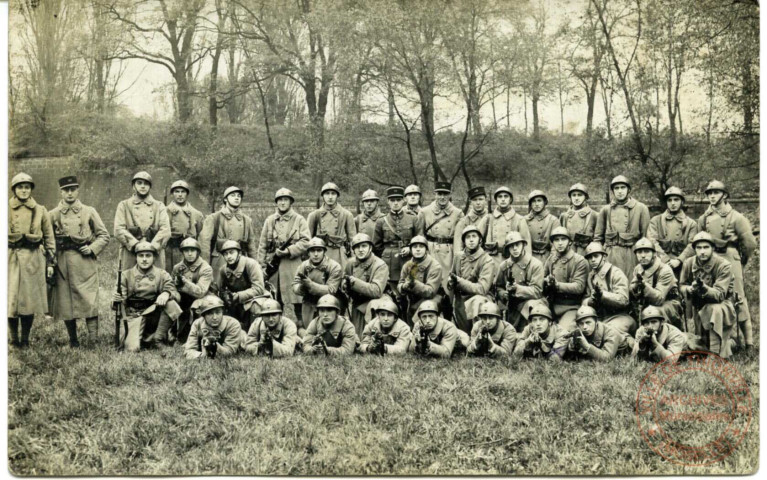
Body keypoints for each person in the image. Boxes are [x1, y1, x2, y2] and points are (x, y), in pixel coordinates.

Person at [677, 180, 756, 350]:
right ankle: (712, 339)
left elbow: (749, 243)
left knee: (738, 298)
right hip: (707, 259)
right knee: (707, 296)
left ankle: (749, 342)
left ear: (725, 195)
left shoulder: (736, 217)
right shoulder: (704, 218)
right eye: (709, 193)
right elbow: (696, 242)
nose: (712, 196)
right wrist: (684, 259)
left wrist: (741, 260)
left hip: (729, 255)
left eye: (716, 193)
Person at [49, 176, 110, 347]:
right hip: (62, 264)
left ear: (77, 190)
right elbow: (47, 240)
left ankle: (93, 340)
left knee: (89, 299)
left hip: (84, 263)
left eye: (72, 189)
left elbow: (104, 235)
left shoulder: (89, 211)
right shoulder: (52, 214)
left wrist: (92, 248)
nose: (69, 193)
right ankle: (73, 340)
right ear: (61, 192)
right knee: (66, 302)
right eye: (66, 190)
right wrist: (51, 260)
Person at [8, 173, 55, 348]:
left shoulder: (40, 210)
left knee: (28, 302)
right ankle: (13, 339)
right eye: (20, 187)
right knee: (10, 299)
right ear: (14, 190)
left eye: (27, 187)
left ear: (31, 189)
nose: (24, 190)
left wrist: (51, 260)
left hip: (33, 260)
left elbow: (49, 237)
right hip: (10, 259)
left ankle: (25, 339)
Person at [112, 241, 182, 351]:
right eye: (141, 256)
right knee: (132, 348)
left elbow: (174, 291)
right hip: (134, 315)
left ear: (154, 258)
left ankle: (157, 339)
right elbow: (119, 304)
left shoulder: (162, 274)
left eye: (148, 256)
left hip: (154, 315)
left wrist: (166, 293)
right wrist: (117, 300)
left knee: (171, 304)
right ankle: (141, 339)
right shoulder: (126, 275)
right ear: (136, 257)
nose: (144, 259)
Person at [257, 188, 311, 326]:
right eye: (280, 200)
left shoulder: (299, 219)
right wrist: (261, 266)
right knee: (275, 298)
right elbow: (262, 245)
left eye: (285, 199)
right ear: (276, 202)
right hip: (273, 266)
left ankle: (302, 326)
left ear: (290, 202)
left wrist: (288, 250)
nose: (282, 202)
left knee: (297, 297)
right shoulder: (270, 221)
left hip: (293, 265)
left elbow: (306, 242)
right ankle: (277, 326)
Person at [679, 232, 737, 359]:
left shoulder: (723, 265)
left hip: (722, 306)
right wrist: (689, 288)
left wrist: (704, 288)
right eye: (698, 248)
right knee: (699, 343)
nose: (702, 252)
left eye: (706, 247)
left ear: (713, 248)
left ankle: (715, 354)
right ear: (694, 250)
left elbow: (719, 295)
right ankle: (714, 346)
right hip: (698, 306)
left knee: (713, 308)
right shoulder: (688, 263)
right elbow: (681, 285)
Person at [593, 175, 650, 277]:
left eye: (623, 187)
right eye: (616, 188)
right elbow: (598, 238)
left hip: (632, 255)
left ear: (628, 190)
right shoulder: (606, 210)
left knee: (632, 285)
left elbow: (645, 237)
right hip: (611, 255)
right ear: (613, 191)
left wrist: (642, 256)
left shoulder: (641, 208)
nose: (620, 191)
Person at [114, 171, 171, 269]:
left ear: (150, 187)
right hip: (131, 251)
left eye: (146, 183)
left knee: (156, 279)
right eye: (139, 183)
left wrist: (151, 248)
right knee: (129, 280)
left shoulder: (159, 205)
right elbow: (118, 229)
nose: (143, 186)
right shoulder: (124, 205)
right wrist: (136, 245)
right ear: (133, 186)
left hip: (154, 251)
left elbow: (165, 230)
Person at [199, 185, 258, 278]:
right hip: (220, 261)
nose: (236, 198)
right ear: (225, 199)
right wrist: (205, 267)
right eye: (233, 195)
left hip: (241, 261)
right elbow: (204, 244)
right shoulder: (214, 218)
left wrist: (255, 266)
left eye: (239, 196)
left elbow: (251, 246)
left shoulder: (247, 220)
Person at [448, 225, 497, 334]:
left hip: (479, 299)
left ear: (480, 240)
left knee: (477, 302)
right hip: (461, 299)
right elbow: (453, 275)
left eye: (474, 236)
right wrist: (450, 282)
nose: (471, 240)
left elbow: (482, 289)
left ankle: (480, 336)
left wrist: (459, 281)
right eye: (467, 237)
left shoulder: (487, 260)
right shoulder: (458, 256)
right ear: (464, 241)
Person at [415, 181, 464, 287]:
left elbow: (458, 238)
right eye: (439, 194)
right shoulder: (424, 212)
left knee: (447, 283)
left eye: (445, 194)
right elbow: (420, 235)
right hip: (430, 251)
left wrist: (457, 258)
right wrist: (423, 252)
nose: (442, 197)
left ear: (450, 195)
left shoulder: (457, 213)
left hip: (448, 253)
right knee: (429, 281)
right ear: (435, 194)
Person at [214, 240, 268, 333]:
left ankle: (257, 333)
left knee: (256, 306)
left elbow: (259, 288)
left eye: (231, 252)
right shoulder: (223, 270)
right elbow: (220, 289)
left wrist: (238, 296)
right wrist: (224, 295)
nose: (229, 256)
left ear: (239, 253)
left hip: (256, 297)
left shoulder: (251, 264)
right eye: (226, 254)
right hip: (236, 301)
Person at [582, 242, 636, 335]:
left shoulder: (615, 273)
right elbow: (585, 299)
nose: (593, 260)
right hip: (600, 317)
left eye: (596, 256)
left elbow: (624, 300)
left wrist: (603, 295)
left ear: (604, 257)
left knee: (607, 333)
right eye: (590, 257)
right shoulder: (591, 276)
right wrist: (590, 300)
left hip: (620, 316)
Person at [541, 227, 589, 332]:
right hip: (552, 305)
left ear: (570, 242)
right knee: (537, 327)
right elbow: (541, 279)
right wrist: (546, 281)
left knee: (562, 333)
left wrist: (557, 285)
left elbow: (579, 287)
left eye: (563, 239)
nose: (560, 243)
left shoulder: (579, 261)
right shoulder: (551, 259)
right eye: (556, 240)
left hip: (571, 307)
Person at [494, 231, 544, 330]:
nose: (515, 248)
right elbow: (498, 286)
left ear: (523, 245)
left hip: (532, 305)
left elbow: (537, 291)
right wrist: (504, 294)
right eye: (511, 246)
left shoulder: (535, 264)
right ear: (508, 248)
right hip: (512, 305)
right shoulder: (504, 266)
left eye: (517, 244)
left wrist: (516, 288)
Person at [292, 237, 343, 334]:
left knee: (329, 331)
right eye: (312, 251)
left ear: (324, 251)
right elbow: (295, 284)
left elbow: (331, 290)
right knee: (310, 331)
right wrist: (301, 288)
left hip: (329, 303)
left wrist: (311, 285)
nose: (316, 254)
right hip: (309, 302)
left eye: (319, 250)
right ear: (308, 253)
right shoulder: (303, 266)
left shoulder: (334, 266)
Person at [629, 238, 683, 329]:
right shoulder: (638, 268)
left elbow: (659, 299)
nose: (643, 255)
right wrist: (633, 287)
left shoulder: (665, 270)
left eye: (646, 252)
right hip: (648, 302)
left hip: (668, 304)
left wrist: (644, 285)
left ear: (654, 254)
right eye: (639, 252)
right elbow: (633, 291)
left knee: (654, 313)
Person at [341, 233, 389, 336]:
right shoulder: (350, 263)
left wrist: (354, 282)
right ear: (353, 250)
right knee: (357, 337)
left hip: (377, 302)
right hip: (358, 303)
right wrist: (345, 285)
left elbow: (376, 291)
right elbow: (345, 281)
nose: (361, 250)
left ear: (370, 248)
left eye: (364, 246)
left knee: (368, 335)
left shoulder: (380, 265)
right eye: (357, 247)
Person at [374, 186, 418, 296]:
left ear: (403, 200)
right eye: (392, 200)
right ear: (388, 202)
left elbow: (420, 240)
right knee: (391, 293)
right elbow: (376, 246)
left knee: (411, 289)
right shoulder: (381, 221)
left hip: (409, 261)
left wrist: (410, 249)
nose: (395, 203)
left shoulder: (413, 219)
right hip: (389, 263)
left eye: (398, 200)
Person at [170, 238, 214, 343]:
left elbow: (201, 292)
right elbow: (171, 285)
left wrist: (184, 282)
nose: (189, 254)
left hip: (203, 298)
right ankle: (171, 333)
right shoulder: (177, 267)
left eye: (192, 250)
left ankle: (198, 337)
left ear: (198, 252)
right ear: (182, 252)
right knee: (171, 302)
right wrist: (174, 293)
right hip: (184, 299)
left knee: (196, 307)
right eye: (186, 251)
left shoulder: (205, 268)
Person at [646, 186, 698, 276]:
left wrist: (679, 260)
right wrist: (665, 259)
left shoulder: (691, 224)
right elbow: (652, 242)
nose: (673, 203)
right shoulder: (655, 221)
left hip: (683, 265)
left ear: (682, 202)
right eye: (669, 200)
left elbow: (692, 245)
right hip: (660, 264)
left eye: (676, 200)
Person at [476, 186, 531, 267]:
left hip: (512, 261)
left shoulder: (519, 219)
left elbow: (526, 245)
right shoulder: (488, 219)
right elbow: (477, 240)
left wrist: (525, 265)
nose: (503, 199)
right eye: (500, 196)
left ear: (510, 199)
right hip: (490, 262)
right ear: (496, 200)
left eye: (506, 196)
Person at [307, 182, 357, 269]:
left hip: (339, 254)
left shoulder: (346, 214)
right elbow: (308, 239)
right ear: (323, 196)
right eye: (327, 193)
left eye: (333, 194)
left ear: (337, 196)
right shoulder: (314, 215)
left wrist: (354, 259)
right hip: (319, 254)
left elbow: (353, 240)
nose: (330, 197)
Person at [397, 235, 443, 326]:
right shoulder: (408, 265)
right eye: (415, 247)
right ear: (411, 249)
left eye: (421, 246)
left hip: (431, 300)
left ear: (426, 249)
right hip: (412, 301)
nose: (418, 249)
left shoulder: (435, 266)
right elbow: (400, 283)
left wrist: (414, 283)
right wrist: (403, 287)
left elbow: (431, 292)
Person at [563, 306, 631, 362]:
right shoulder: (579, 332)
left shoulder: (610, 332)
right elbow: (571, 359)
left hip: (628, 351)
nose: (585, 327)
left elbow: (607, 358)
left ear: (596, 322)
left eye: (588, 322)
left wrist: (586, 346)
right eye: (581, 323)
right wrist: (571, 347)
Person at [164, 180, 205, 272]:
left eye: (183, 192)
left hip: (189, 251)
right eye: (177, 191)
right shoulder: (164, 212)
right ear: (172, 194)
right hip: (170, 251)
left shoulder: (197, 214)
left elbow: (199, 232)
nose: (180, 195)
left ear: (187, 194)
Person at [184, 295, 243, 359]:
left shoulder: (233, 324)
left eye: (218, 312)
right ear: (204, 315)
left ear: (222, 312)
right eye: (210, 313)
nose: (214, 317)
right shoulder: (197, 324)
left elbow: (230, 352)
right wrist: (202, 355)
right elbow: (188, 351)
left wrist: (215, 346)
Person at [559, 183, 597, 256]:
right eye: (574, 195)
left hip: (587, 254)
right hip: (568, 254)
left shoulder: (594, 215)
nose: (576, 198)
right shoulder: (564, 216)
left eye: (579, 195)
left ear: (585, 197)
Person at [526, 190, 559, 264]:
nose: (536, 204)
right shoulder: (525, 220)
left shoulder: (553, 220)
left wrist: (551, 262)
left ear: (545, 202)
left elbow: (555, 244)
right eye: (533, 201)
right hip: (529, 257)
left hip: (546, 258)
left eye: (539, 201)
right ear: (530, 204)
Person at [454, 186, 490, 251]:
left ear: (485, 200)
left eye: (480, 199)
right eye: (475, 200)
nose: (478, 203)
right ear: (470, 202)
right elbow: (458, 247)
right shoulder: (464, 222)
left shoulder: (491, 218)